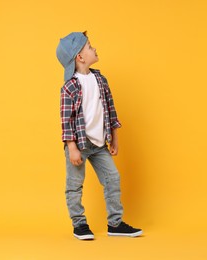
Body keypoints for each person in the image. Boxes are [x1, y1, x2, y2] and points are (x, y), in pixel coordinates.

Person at [56, 31, 142, 240]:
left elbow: (110, 110)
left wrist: (114, 137)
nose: (94, 48)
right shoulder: (70, 87)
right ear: (80, 57)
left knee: (113, 178)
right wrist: (72, 147)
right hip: (79, 144)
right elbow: (66, 120)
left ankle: (115, 223)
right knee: (75, 185)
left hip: (99, 144)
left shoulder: (100, 80)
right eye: (90, 46)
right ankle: (79, 224)